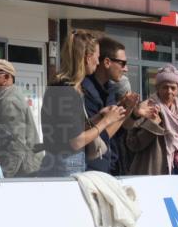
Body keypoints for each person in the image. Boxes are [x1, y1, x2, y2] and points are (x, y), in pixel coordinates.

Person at [39, 30, 126, 177]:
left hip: (64, 165)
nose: (98, 62)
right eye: (97, 57)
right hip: (65, 168)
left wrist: (99, 116)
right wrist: (106, 121)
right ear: (87, 57)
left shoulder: (65, 87)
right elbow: (76, 141)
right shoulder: (66, 90)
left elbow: (71, 130)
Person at [82, 36, 152, 175]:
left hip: (109, 164)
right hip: (91, 170)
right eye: (122, 63)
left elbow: (118, 130)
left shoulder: (109, 90)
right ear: (107, 62)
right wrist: (127, 111)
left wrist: (133, 112)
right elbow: (99, 136)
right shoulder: (86, 91)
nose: (125, 69)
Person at [125, 65, 178, 175]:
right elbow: (132, 144)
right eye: (165, 87)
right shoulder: (147, 108)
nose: (169, 91)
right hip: (154, 174)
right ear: (157, 88)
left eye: (173, 88)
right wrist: (152, 125)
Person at [0, 59, 42, 177]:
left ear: (6, 77)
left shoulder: (10, 101)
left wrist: (5, 175)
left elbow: (16, 144)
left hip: (22, 170)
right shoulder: (5, 97)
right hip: (23, 167)